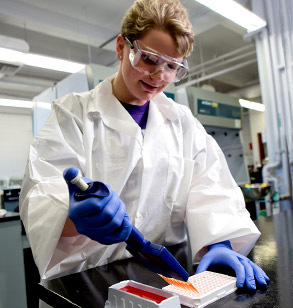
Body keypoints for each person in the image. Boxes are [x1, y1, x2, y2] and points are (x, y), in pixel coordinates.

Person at [20, 0, 269, 297]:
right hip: (86, 280)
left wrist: (219, 242)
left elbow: (211, 185)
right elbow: (40, 193)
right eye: (149, 59)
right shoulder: (73, 114)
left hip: (161, 278)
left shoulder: (182, 123)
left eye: (172, 66)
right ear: (121, 48)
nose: (159, 75)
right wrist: (73, 218)